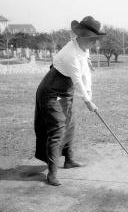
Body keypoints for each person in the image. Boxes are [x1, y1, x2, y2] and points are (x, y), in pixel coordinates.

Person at [34, 16, 106, 186]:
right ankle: (52, 173)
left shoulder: (83, 48)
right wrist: (88, 102)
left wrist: (89, 95)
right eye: (91, 39)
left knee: (70, 123)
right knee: (58, 127)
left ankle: (69, 160)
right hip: (51, 92)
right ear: (80, 36)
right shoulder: (71, 53)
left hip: (64, 93)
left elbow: (86, 74)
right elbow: (77, 80)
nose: (94, 43)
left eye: (95, 39)